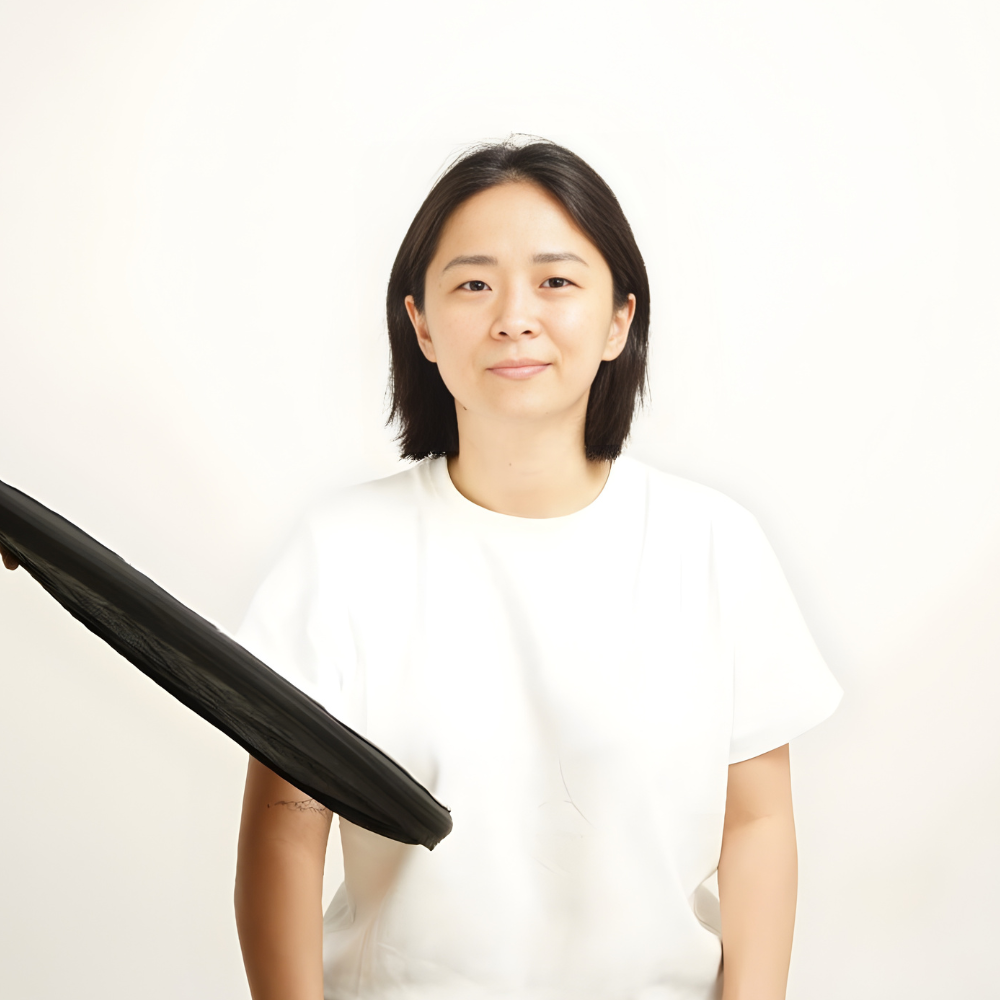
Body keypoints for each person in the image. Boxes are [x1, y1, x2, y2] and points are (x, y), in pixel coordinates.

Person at [5, 138, 840, 1000]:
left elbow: (757, 826)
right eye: (474, 285)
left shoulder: (713, 545)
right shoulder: (342, 552)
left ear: (619, 320)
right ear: (423, 325)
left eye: (556, 281)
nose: (514, 316)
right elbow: (286, 836)